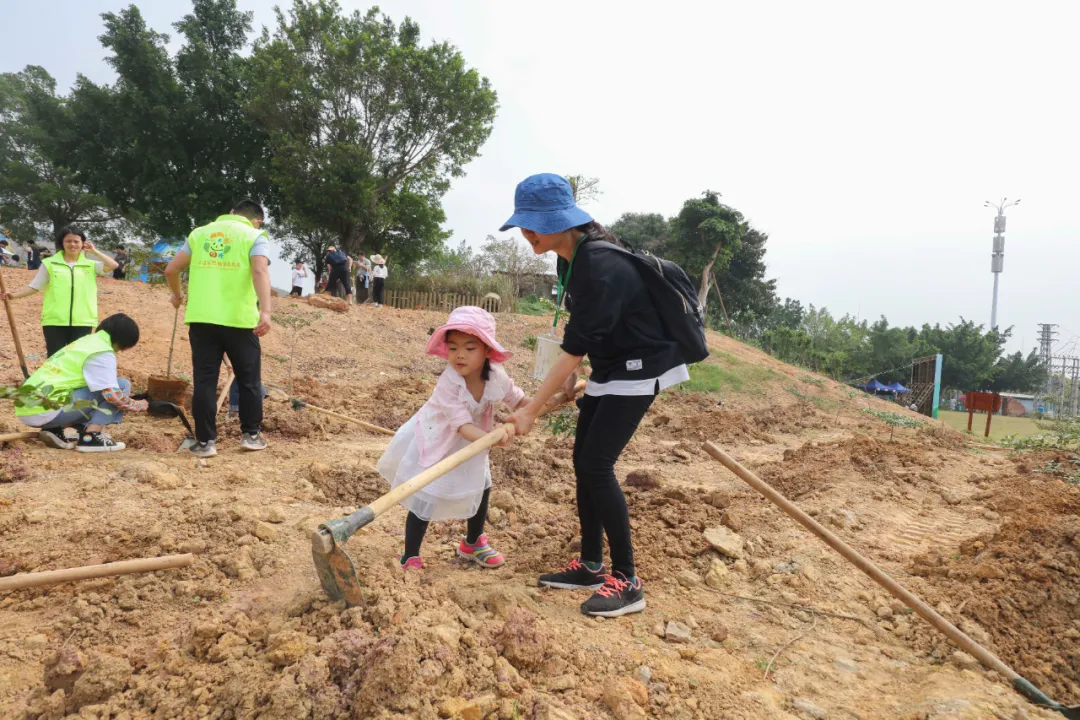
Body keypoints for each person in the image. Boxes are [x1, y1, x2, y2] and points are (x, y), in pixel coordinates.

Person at [505, 174, 689, 618]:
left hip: (642, 367)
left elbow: (574, 348)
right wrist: (571, 380)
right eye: (523, 224)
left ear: (564, 221)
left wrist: (530, 409)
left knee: (595, 463)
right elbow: (583, 334)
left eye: (536, 223)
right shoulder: (571, 260)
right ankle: (590, 564)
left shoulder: (601, 264)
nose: (527, 233)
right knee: (582, 461)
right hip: (611, 366)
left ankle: (627, 580)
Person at [377, 306, 527, 570]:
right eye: (453, 347)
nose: (460, 355)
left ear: (487, 351)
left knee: (481, 487)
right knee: (425, 492)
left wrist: (541, 404)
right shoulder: (449, 382)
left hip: (476, 440)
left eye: (470, 348)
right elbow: (461, 425)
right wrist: (493, 437)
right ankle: (410, 553)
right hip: (440, 439)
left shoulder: (496, 375)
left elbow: (518, 400)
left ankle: (473, 542)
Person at [164, 199, 273, 458]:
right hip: (240, 320)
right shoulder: (255, 235)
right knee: (248, 381)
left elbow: (171, 270)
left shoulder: (199, 233)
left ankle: (205, 443)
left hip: (202, 319)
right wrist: (266, 311)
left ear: (231, 213)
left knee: (204, 380)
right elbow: (259, 272)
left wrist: (177, 296)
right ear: (257, 220)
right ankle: (251, 436)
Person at [13, 313, 148, 452]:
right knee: (121, 385)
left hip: (27, 409)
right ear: (124, 342)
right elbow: (112, 395)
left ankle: (54, 429)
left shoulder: (86, 342)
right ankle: (91, 437)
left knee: (90, 385)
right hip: (45, 411)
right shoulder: (102, 351)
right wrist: (138, 405)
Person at [0, 226, 118, 357]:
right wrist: (14, 295)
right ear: (62, 243)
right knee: (55, 358)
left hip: (83, 320)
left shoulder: (90, 265)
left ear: (83, 243)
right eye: (68, 241)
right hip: (54, 321)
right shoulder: (50, 263)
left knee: (77, 359)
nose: (72, 244)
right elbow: (35, 286)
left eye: (76, 241)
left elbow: (113, 266)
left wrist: (94, 251)